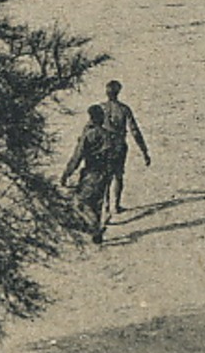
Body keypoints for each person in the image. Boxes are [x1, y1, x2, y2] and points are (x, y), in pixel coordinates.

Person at [61, 104, 117, 243]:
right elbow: (113, 156)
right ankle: (96, 236)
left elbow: (77, 156)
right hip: (104, 173)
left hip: (91, 171)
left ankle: (95, 229)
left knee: (81, 202)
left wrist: (67, 173)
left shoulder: (89, 134)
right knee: (96, 203)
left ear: (91, 118)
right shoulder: (108, 135)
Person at [101, 81, 151, 214]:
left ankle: (105, 205)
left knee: (105, 175)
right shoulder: (124, 109)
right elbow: (134, 131)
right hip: (119, 145)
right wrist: (144, 151)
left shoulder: (101, 108)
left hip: (103, 146)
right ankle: (116, 206)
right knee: (118, 175)